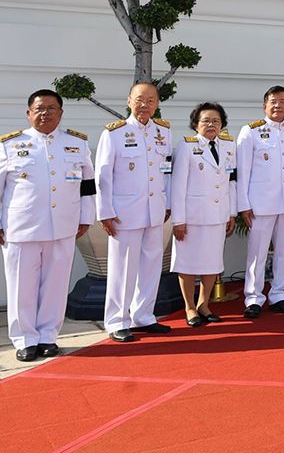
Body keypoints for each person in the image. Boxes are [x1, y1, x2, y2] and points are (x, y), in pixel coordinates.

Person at [0, 90, 95, 360]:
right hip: (21, 228)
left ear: (61, 113)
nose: (45, 113)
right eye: (39, 108)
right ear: (29, 113)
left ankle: (48, 337)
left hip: (63, 226)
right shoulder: (9, 145)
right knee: (22, 287)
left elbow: (87, 186)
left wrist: (86, 217)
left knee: (55, 284)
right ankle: (24, 339)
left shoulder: (76, 143)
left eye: (52, 108)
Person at [96, 82, 172, 342]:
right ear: (129, 100)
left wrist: (168, 202)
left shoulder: (163, 132)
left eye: (151, 100)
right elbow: (102, 176)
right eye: (140, 99)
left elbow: (167, 171)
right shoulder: (115, 133)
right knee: (123, 268)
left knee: (151, 265)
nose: (145, 105)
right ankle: (117, 320)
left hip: (154, 210)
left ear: (157, 103)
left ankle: (144, 316)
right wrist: (105, 211)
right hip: (124, 212)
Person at [236, 86, 284, 319]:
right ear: (264, 105)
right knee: (257, 252)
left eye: (282, 101)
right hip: (260, 203)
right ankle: (253, 298)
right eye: (273, 102)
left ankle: (279, 295)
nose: (278, 106)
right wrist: (243, 204)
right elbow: (243, 171)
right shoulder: (251, 131)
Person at [170, 103, 237, 327]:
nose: (211, 125)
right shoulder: (186, 146)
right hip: (192, 217)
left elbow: (231, 182)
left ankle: (203, 305)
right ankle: (189, 307)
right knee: (187, 264)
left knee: (212, 264)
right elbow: (177, 187)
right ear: (195, 124)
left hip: (218, 216)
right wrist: (178, 220)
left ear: (222, 125)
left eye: (216, 121)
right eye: (206, 121)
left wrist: (232, 213)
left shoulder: (228, 145)